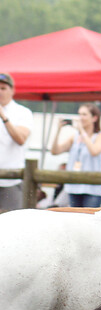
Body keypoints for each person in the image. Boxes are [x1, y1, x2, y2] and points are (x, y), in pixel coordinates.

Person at [50, 103, 101, 207]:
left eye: (84, 115)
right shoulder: (74, 137)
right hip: (74, 186)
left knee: (89, 220)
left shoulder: (100, 137)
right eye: (79, 114)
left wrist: (82, 131)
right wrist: (58, 130)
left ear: (94, 118)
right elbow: (55, 151)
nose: (80, 118)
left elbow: (94, 151)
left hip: (93, 189)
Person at [0, 73, 33, 211]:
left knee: (11, 225)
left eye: (3, 88)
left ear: (12, 90)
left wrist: (3, 116)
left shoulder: (23, 112)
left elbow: (20, 139)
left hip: (11, 179)